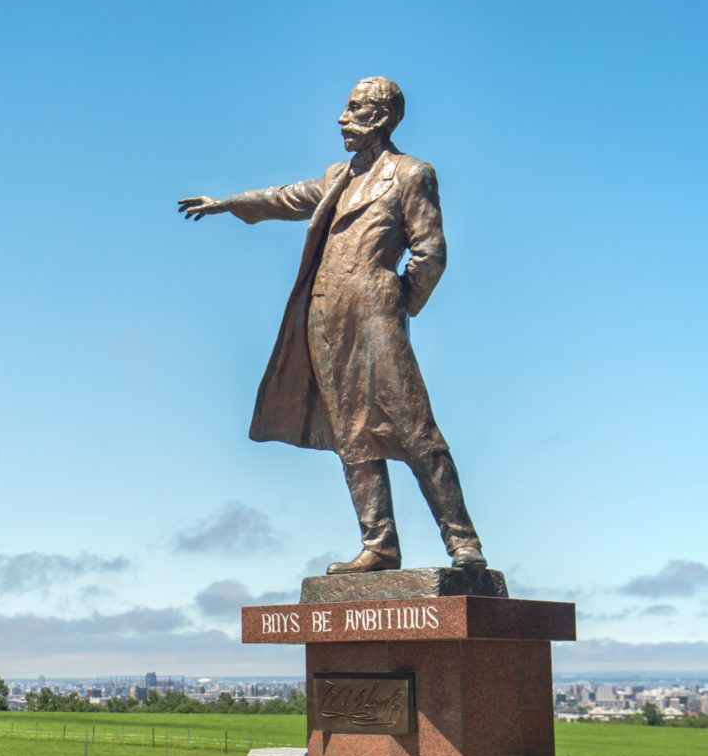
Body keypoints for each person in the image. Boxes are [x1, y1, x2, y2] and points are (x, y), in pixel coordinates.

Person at [179, 76, 485, 574]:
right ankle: (379, 543)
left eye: (355, 109)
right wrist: (228, 203)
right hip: (327, 317)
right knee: (351, 435)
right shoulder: (336, 177)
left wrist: (397, 298)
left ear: (382, 118)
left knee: (414, 426)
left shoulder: (411, 174)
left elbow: (431, 252)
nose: (343, 118)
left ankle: (462, 541)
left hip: (377, 312)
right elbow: (285, 197)